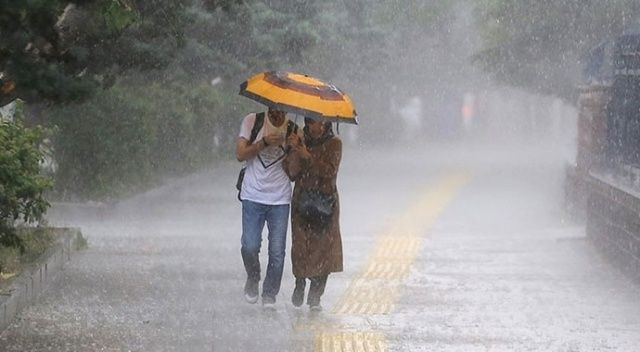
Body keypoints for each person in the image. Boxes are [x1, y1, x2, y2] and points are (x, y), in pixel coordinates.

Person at [236, 107, 299, 308]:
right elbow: (240, 154)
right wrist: (263, 143)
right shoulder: (252, 121)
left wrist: (294, 149)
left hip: (279, 199)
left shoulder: (293, 129)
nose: (279, 115)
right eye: (275, 110)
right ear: (269, 105)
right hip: (253, 195)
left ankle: (270, 293)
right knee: (249, 245)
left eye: (283, 111)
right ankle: (253, 277)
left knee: (277, 251)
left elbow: (295, 173)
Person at [283, 117, 343, 311]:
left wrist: (307, 155)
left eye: (313, 121)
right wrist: (292, 150)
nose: (309, 125)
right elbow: (291, 173)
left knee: (325, 250)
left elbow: (329, 172)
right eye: (307, 121)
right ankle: (299, 282)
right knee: (300, 246)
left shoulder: (334, 143)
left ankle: (315, 295)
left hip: (325, 202)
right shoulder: (301, 139)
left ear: (324, 123)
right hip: (302, 200)